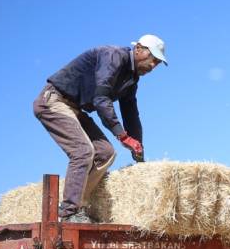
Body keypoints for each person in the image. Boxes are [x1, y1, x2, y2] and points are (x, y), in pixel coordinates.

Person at [33, 34, 168, 222]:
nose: (153, 66)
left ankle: (80, 206)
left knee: (106, 153)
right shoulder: (112, 56)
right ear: (138, 48)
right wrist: (121, 135)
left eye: (157, 63)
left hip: (74, 108)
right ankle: (69, 211)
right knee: (83, 151)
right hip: (54, 100)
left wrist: (137, 145)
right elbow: (101, 98)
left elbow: (130, 112)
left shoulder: (132, 79)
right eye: (152, 59)